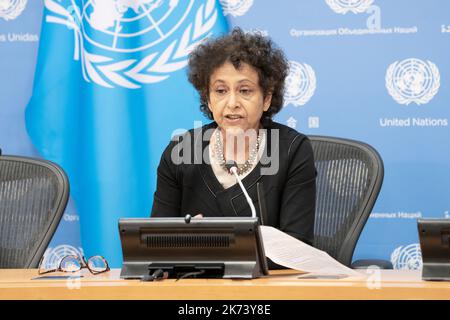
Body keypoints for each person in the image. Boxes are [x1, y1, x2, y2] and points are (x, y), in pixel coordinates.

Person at [151, 28, 316, 247]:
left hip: (266, 281)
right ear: (208, 100)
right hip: (196, 280)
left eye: (245, 90)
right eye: (220, 91)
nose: (232, 103)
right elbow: (156, 245)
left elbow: (297, 246)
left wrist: (209, 242)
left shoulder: (292, 150)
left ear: (266, 99)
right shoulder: (180, 152)